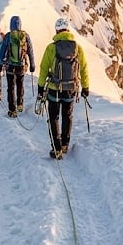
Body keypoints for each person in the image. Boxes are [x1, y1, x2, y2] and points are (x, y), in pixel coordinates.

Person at [37, 17, 89, 159]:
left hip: (54, 89)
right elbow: (83, 68)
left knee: (53, 117)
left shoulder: (51, 48)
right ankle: (65, 144)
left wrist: (41, 87)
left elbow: (43, 69)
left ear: (57, 30)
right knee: (67, 115)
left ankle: (57, 148)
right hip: (71, 88)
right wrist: (85, 87)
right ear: (68, 30)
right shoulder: (77, 48)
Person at [0, 15, 35, 117]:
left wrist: (0, 63)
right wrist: (32, 64)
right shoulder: (25, 36)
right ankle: (20, 104)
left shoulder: (8, 36)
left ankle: (12, 110)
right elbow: (30, 51)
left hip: (10, 66)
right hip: (22, 66)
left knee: (11, 87)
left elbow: (2, 52)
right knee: (20, 84)